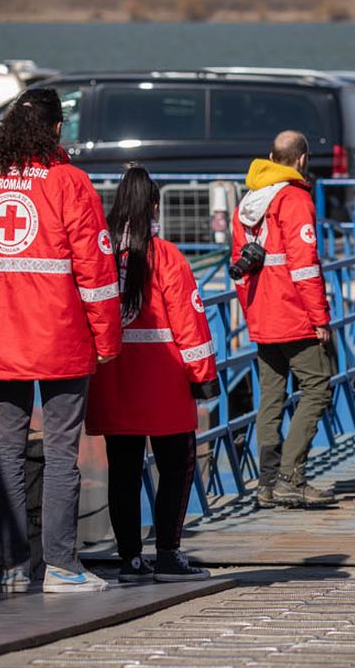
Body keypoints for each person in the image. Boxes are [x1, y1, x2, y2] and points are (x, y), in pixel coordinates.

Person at [0, 88, 121, 594]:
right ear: (57, 129)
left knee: (8, 452)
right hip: (59, 338)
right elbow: (97, 272)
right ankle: (61, 565)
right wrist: (107, 338)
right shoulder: (70, 183)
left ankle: (15, 567)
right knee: (62, 450)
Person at [87, 165, 217, 583]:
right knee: (176, 468)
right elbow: (190, 325)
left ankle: (129, 559)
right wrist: (203, 377)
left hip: (113, 378)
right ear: (155, 207)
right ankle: (166, 554)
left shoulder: (102, 256)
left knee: (123, 471)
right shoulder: (167, 257)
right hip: (164, 381)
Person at [231, 131, 334, 509]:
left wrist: (252, 311)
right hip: (293, 314)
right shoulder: (294, 199)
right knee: (318, 387)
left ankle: (266, 484)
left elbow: (238, 267)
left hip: (262, 312)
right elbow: (304, 266)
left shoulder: (248, 202)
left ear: (271, 156)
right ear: (302, 160)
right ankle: (292, 477)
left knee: (271, 398)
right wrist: (319, 318)